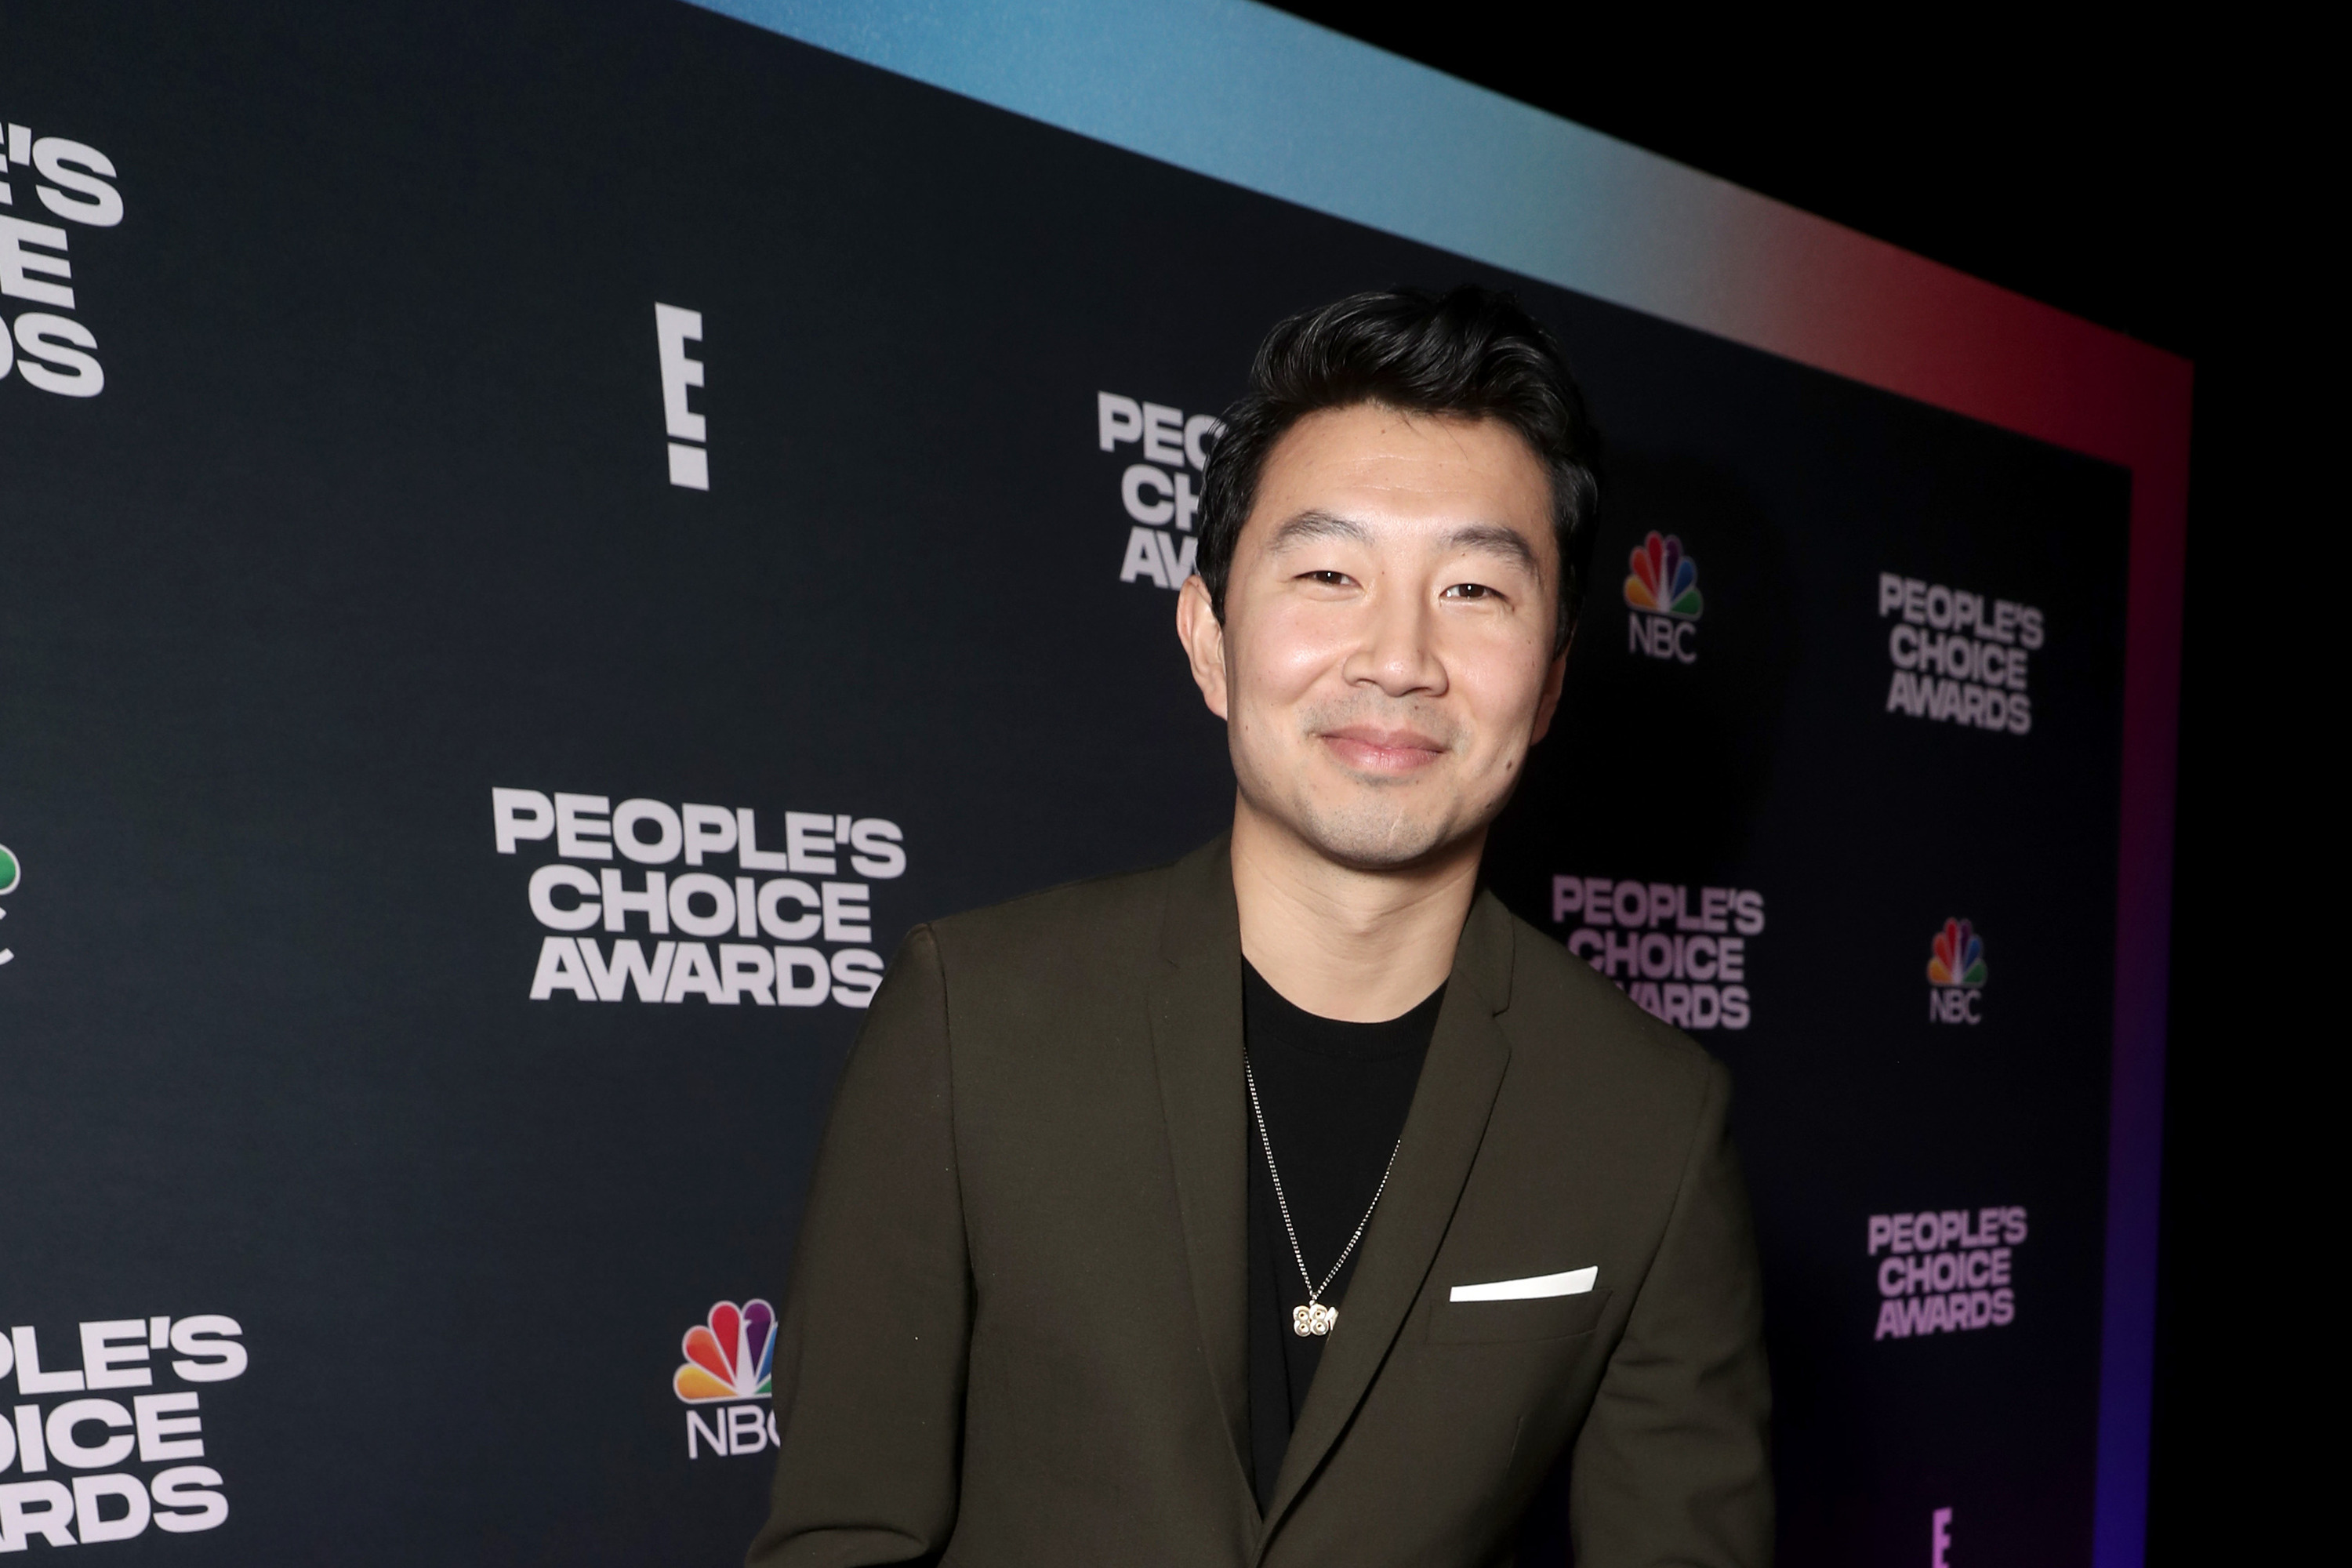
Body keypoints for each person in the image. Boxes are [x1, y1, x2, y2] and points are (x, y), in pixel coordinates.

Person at [748, 286, 1772, 1566]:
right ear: (1210, 637)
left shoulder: (1650, 1124)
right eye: (1331, 573)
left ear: (1553, 681)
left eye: (1472, 588)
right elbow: (844, 1537)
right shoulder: (975, 1016)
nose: (1399, 657)